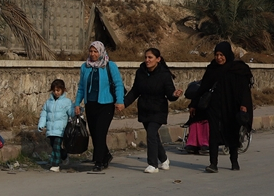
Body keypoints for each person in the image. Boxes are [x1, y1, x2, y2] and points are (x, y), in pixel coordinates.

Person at [192, 41, 254, 173]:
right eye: (216, 55)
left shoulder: (237, 69)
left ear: (227, 54)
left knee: (232, 132)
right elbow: (203, 87)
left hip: (231, 106)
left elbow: (244, 89)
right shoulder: (212, 69)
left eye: (221, 55)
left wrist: (244, 105)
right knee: (213, 134)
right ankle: (213, 163)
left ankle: (234, 160)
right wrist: (193, 104)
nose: (219, 58)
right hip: (214, 106)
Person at [123, 48, 183, 173]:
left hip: (159, 109)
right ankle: (164, 159)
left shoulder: (164, 74)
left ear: (158, 59)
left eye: (150, 57)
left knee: (151, 133)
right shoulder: (141, 72)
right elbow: (135, 91)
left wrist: (174, 95)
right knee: (154, 136)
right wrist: (124, 103)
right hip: (145, 109)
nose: (147, 60)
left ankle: (153, 164)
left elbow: (170, 93)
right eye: (146, 57)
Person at [75, 41, 125, 171]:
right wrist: (77, 103)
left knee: (100, 132)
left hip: (106, 104)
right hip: (91, 104)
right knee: (94, 132)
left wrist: (120, 101)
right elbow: (81, 87)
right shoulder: (85, 67)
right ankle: (106, 155)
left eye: (95, 51)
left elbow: (118, 84)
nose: (93, 54)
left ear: (101, 52)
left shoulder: (109, 65)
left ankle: (99, 161)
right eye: (91, 51)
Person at [38, 78, 74, 172]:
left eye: (58, 90)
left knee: (56, 147)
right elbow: (44, 114)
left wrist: (76, 110)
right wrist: (41, 124)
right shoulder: (48, 102)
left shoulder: (67, 102)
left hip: (61, 129)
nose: (56, 92)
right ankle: (64, 156)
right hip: (50, 129)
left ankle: (55, 164)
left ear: (63, 90)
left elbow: (71, 112)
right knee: (53, 145)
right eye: (54, 90)